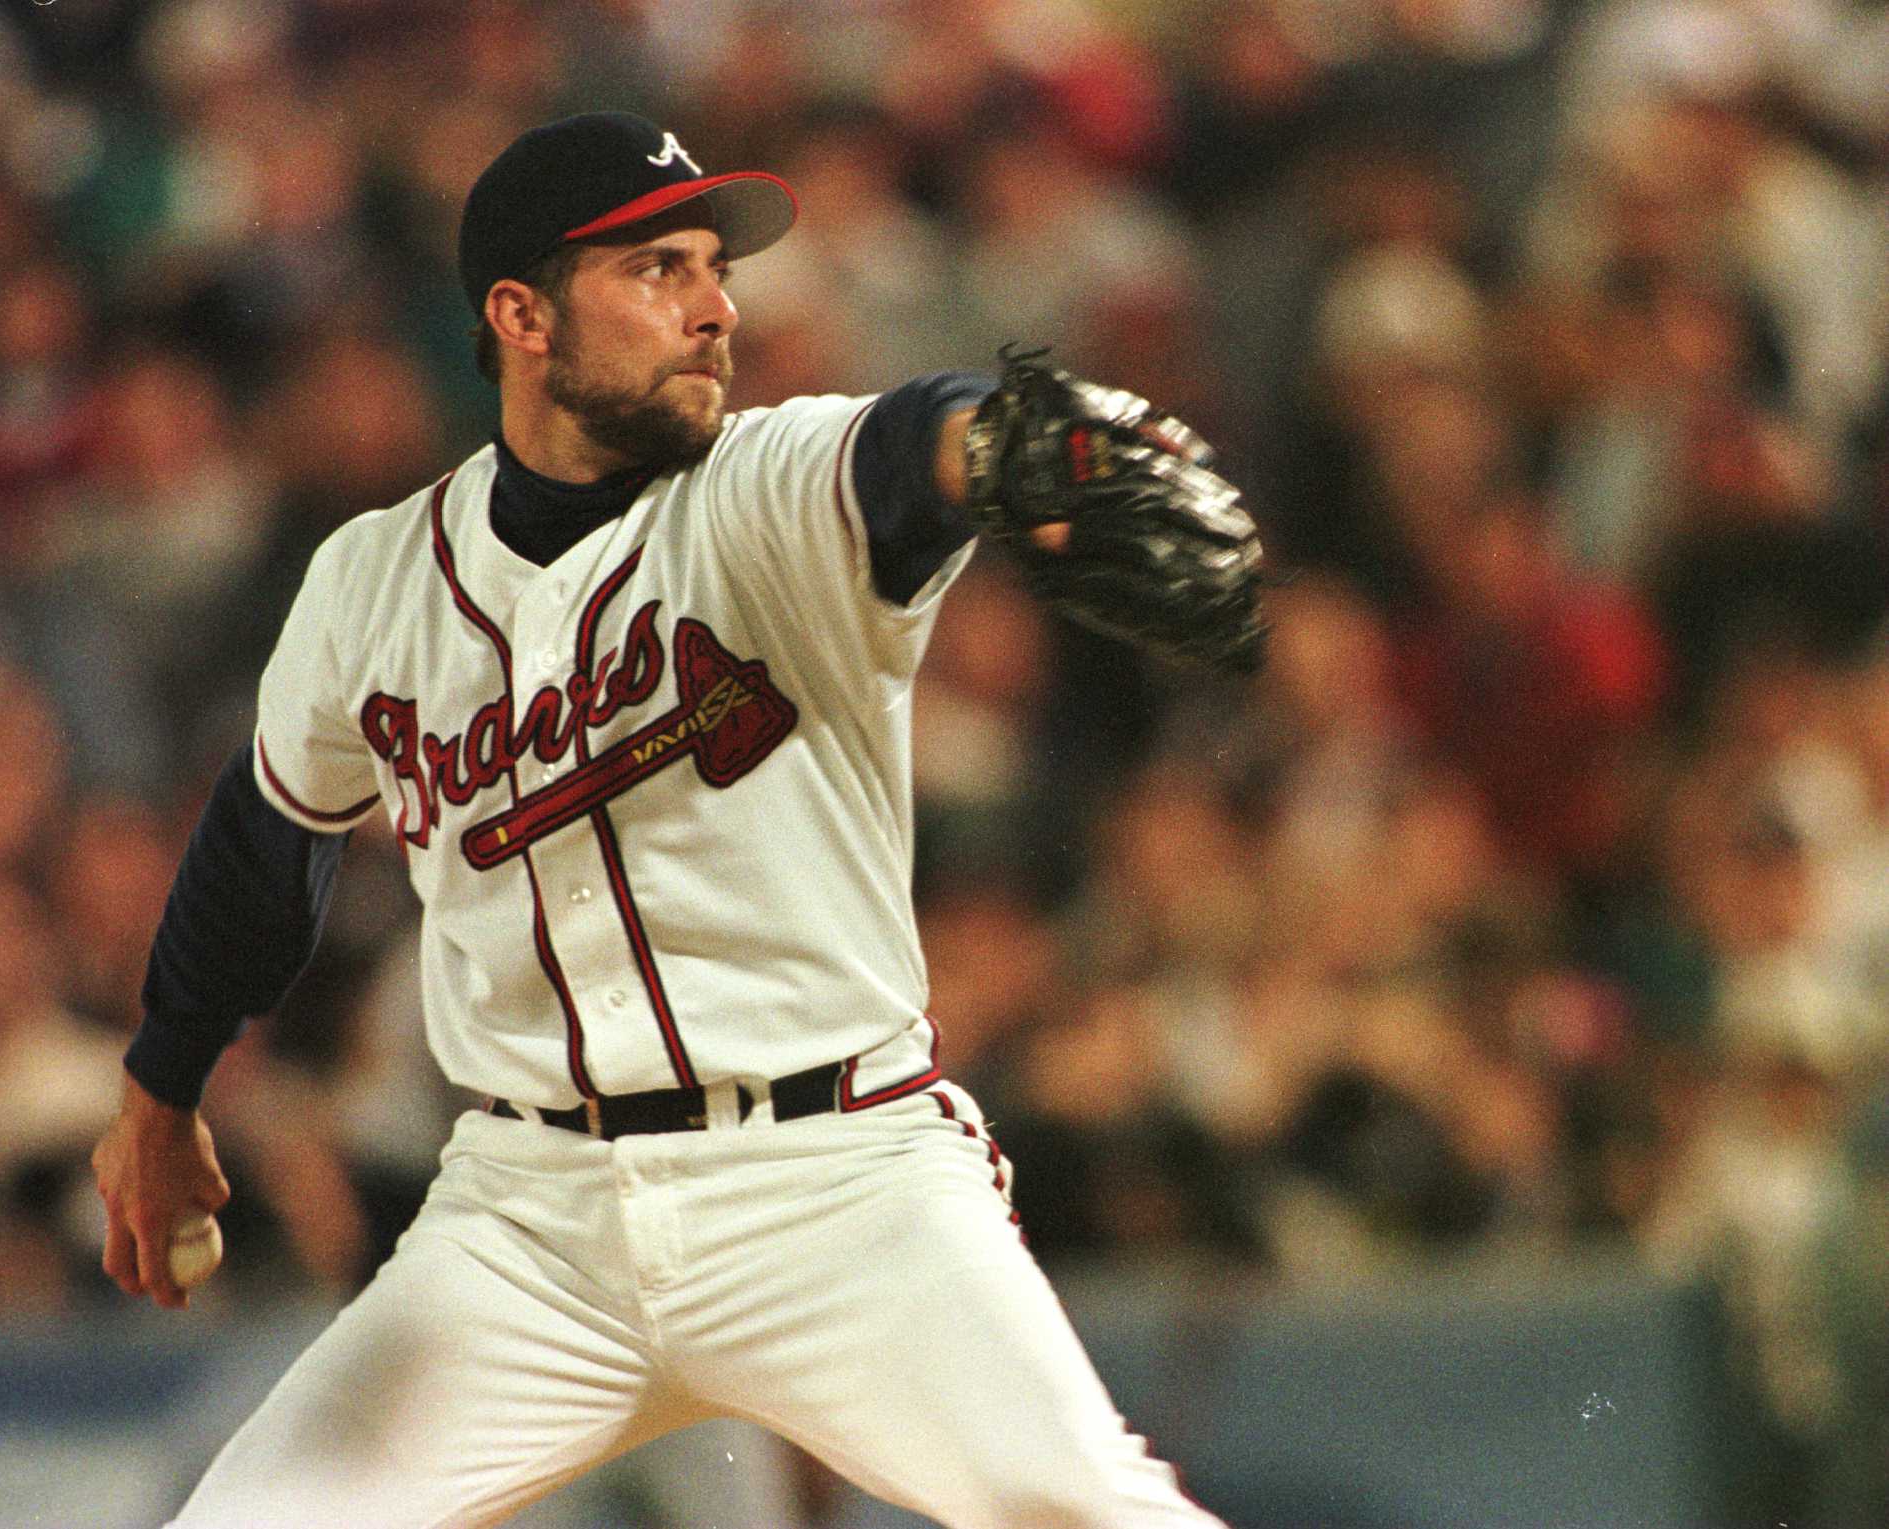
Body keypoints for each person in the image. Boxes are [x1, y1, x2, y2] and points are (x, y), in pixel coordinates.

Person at [93, 110, 1236, 1528]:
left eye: (716, 267)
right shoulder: (371, 581)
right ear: (520, 313)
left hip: (834, 1180)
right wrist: (161, 1087)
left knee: (1086, 1508)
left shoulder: (764, 492)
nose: (716, 305)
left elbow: (913, 445)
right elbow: (267, 842)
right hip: (528, 1216)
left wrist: (1022, 453)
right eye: (657, 268)